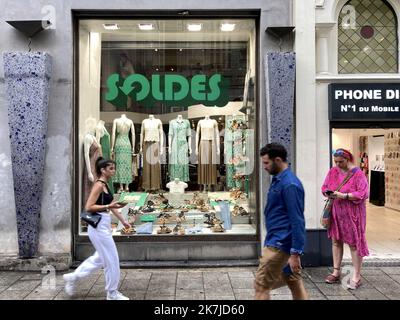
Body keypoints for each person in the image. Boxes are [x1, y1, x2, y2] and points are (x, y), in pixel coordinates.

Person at [63, 157, 132, 300]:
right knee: (112, 259)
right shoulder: (99, 185)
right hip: (98, 226)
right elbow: (89, 207)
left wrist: (123, 221)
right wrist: (108, 206)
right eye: (111, 168)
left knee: (100, 258)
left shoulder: (106, 185)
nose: (114, 171)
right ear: (103, 170)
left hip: (103, 225)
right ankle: (112, 293)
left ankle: (73, 277)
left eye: (114, 168)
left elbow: (113, 205)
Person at [254, 143, 308, 300]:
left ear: (277, 160)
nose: (264, 166)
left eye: (266, 163)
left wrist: (295, 253)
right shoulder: (279, 179)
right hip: (279, 240)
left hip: (280, 245)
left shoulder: (289, 184)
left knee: (261, 286)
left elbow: (297, 220)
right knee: (294, 282)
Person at [321, 148, 369, 290]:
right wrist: (327, 192)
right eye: (335, 161)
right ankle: (336, 271)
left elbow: (362, 193)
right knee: (336, 241)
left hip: (353, 214)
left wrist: (344, 195)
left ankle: (357, 276)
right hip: (336, 212)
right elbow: (324, 186)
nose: (337, 164)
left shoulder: (358, 174)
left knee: (354, 244)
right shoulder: (333, 171)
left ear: (348, 160)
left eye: (340, 162)